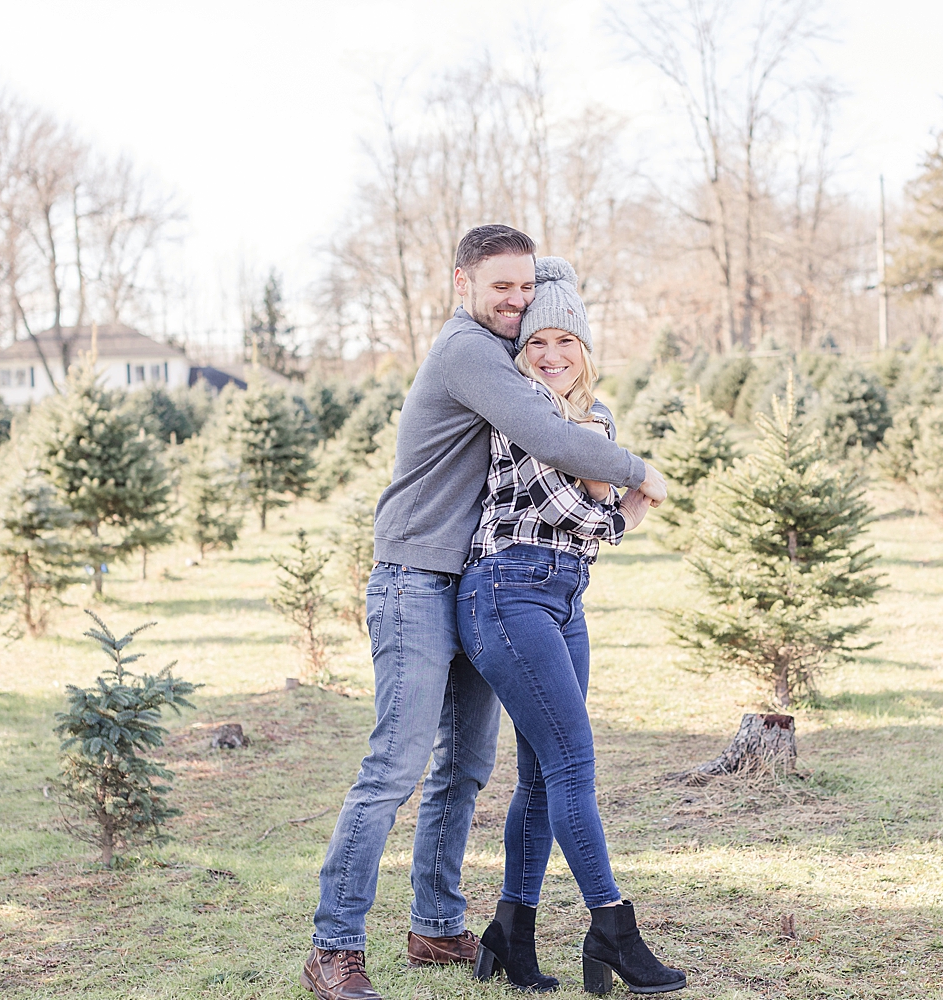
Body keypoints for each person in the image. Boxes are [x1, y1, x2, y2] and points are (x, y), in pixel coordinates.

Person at [303, 225, 668, 1000]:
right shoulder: (467, 348)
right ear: (460, 284)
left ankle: (436, 925)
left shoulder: (513, 347)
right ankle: (334, 946)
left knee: (465, 768)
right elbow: (547, 433)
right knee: (394, 768)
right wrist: (640, 473)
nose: (516, 300)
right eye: (500, 286)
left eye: (525, 286)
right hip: (413, 577)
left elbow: (555, 338)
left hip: (471, 575)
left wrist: (552, 285)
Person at [463, 257, 687, 996]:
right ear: (519, 356)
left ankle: (511, 931)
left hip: (563, 600)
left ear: (586, 348)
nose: (552, 356)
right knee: (573, 765)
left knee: (538, 778)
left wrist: (624, 490)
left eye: (566, 341)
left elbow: (601, 526)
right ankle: (613, 928)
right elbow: (589, 515)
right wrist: (628, 486)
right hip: (506, 593)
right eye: (535, 344)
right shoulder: (519, 414)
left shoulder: (598, 420)